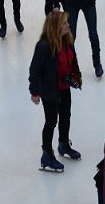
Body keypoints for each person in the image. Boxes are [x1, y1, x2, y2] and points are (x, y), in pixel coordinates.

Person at [29, 9, 83, 172]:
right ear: (55, 27)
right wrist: (35, 91)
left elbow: (73, 60)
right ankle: (46, 154)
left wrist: (77, 75)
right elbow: (34, 70)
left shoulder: (67, 41)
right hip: (50, 90)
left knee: (66, 116)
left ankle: (64, 144)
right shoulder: (45, 46)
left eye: (67, 22)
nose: (68, 25)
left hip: (64, 87)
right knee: (51, 121)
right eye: (64, 23)